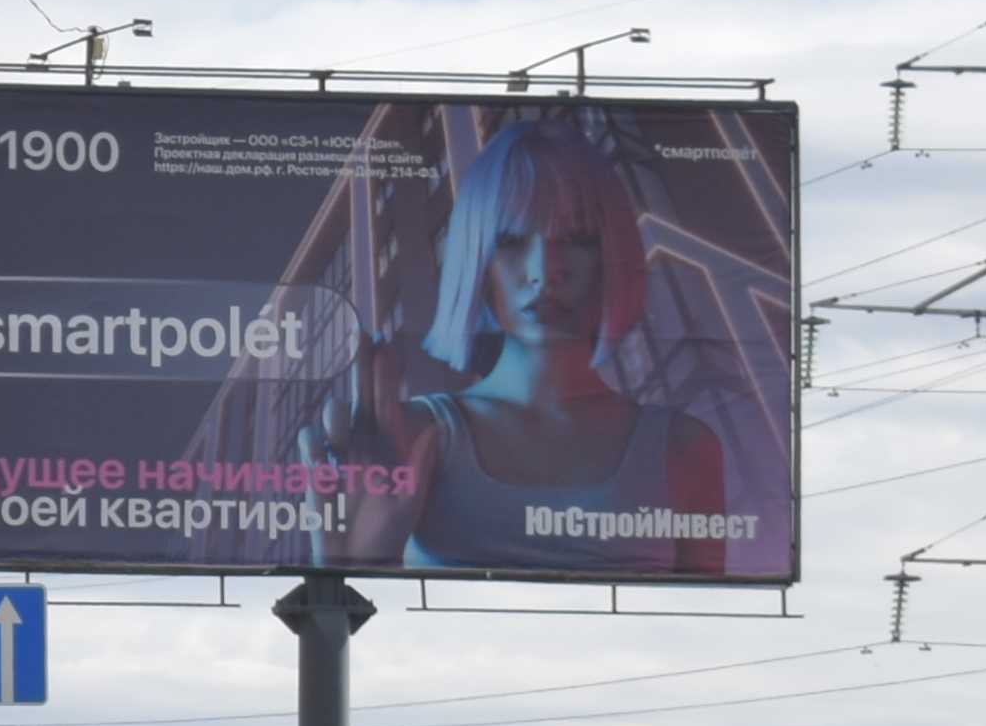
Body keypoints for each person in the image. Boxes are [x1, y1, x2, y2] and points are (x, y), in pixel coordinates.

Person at [310, 114, 744, 577]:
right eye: (512, 241)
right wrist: (345, 575)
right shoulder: (413, 436)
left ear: (610, 254)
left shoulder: (685, 446)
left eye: (576, 240)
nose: (545, 269)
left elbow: (699, 623)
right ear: (476, 258)